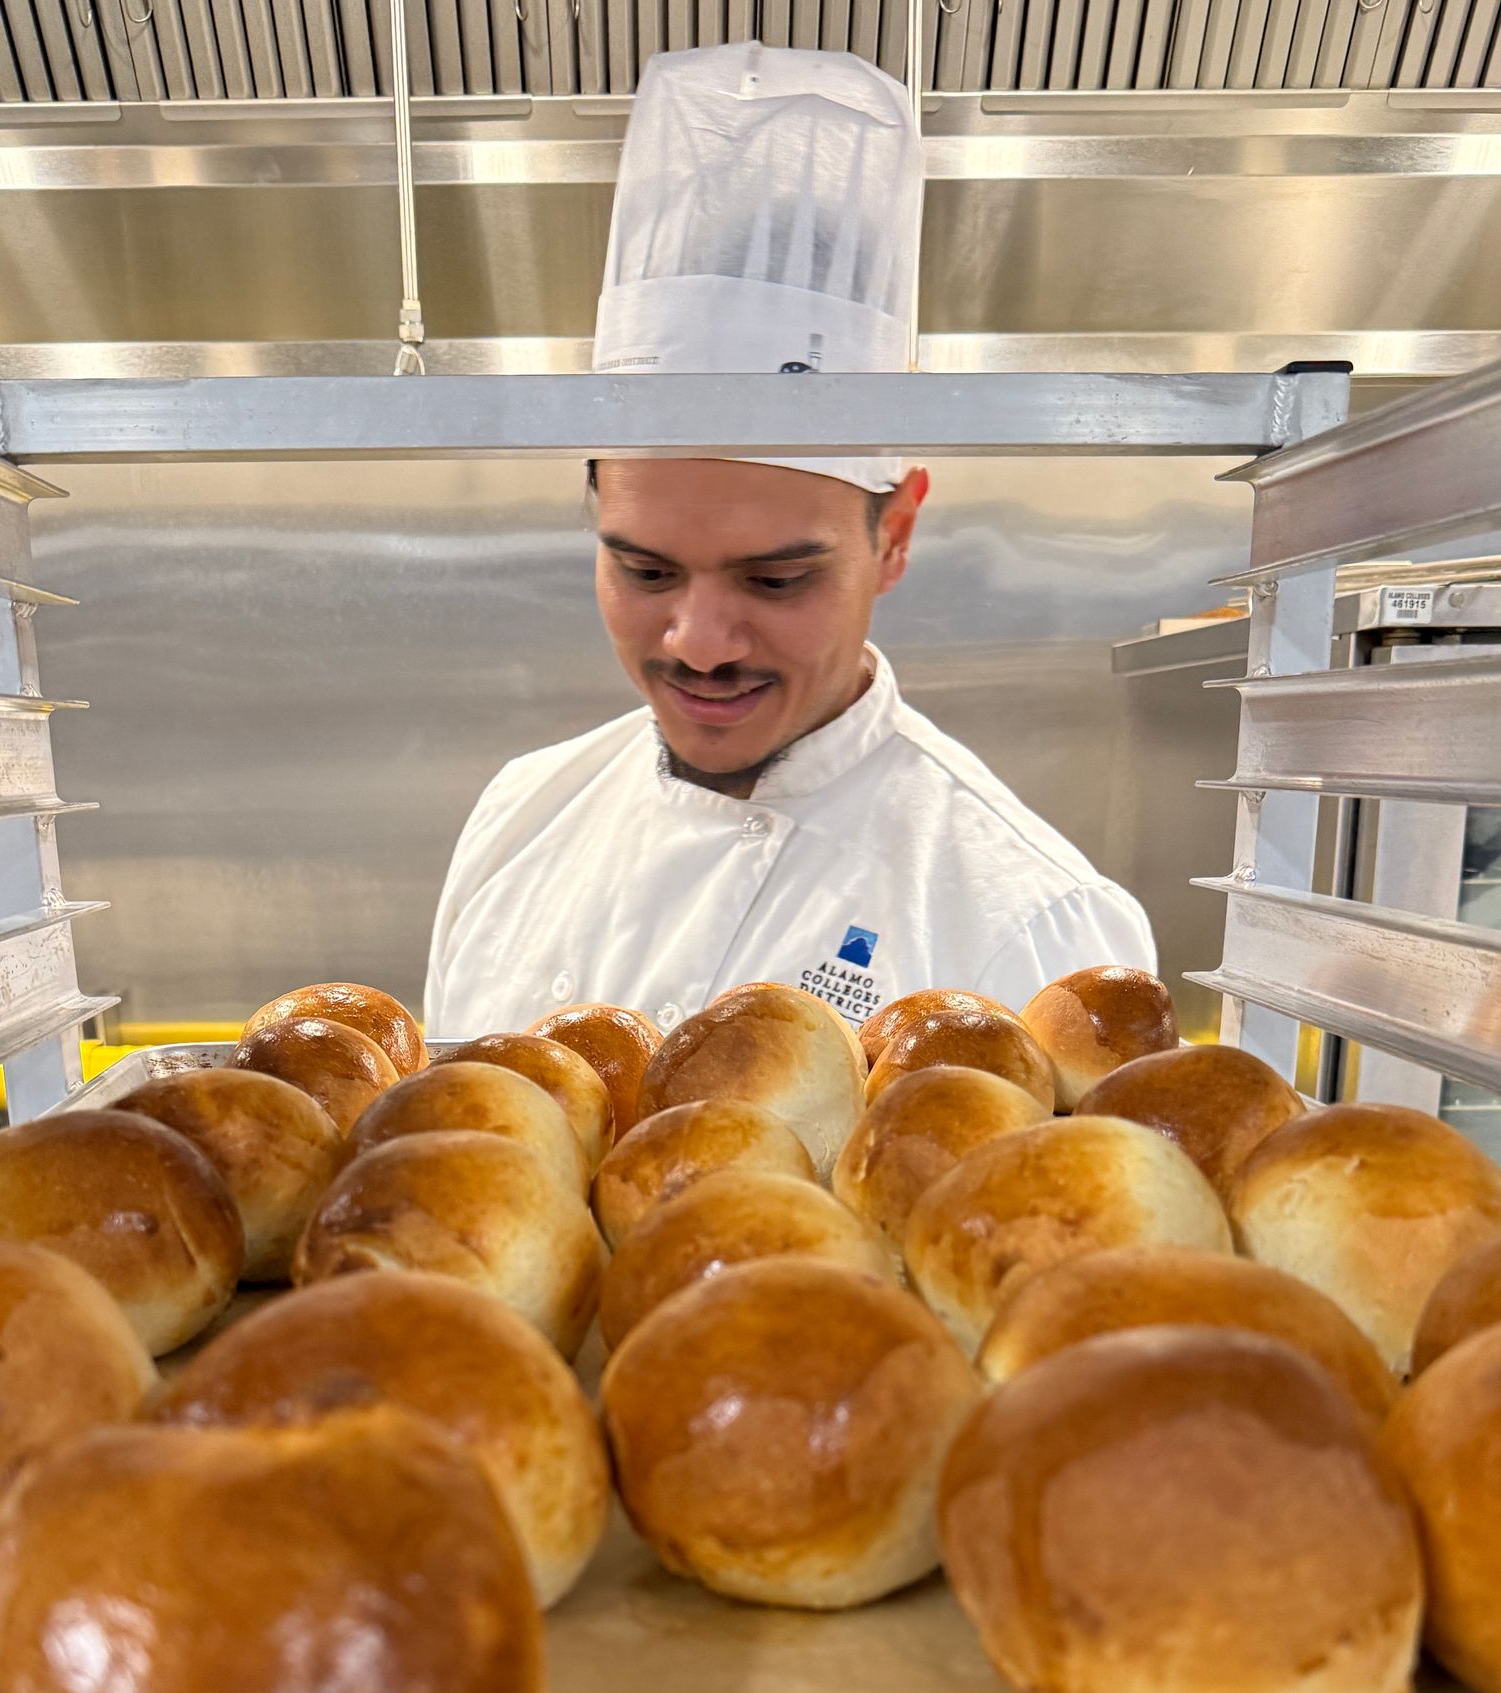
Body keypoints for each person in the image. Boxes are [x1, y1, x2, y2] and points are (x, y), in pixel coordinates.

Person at [423, 45, 1155, 1041]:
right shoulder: (522, 814)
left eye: (774, 578)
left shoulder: (1030, 924)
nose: (699, 642)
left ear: (894, 535)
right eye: (644, 568)